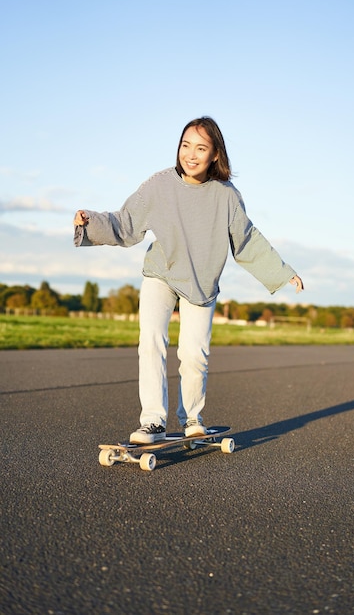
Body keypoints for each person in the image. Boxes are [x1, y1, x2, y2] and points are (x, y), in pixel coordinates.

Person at [74, 116, 304, 444]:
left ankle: (192, 418)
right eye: (185, 146)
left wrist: (282, 272)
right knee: (151, 340)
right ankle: (152, 421)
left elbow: (247, 240)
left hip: (201, 282)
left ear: (215, 155)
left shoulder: (226, 196)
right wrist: (89, 221)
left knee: (195, 353)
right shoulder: (160, 184)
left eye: (200, 148)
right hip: (162, 273)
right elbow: (125, 223)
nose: (191, 155)